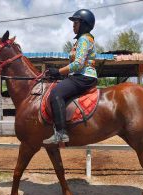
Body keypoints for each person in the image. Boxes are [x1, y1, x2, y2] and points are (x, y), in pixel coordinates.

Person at [43, 9, 98, 145]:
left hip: (84, 76)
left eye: (76, 22)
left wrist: (59, 71)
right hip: (79, 76)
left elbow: (79, 64)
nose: (73, 25)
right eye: (73, 22)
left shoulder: (84, 39)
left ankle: (61, 133)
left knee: (56, 94)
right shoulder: (80, 40)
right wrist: (57, 73)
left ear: (84, 24)